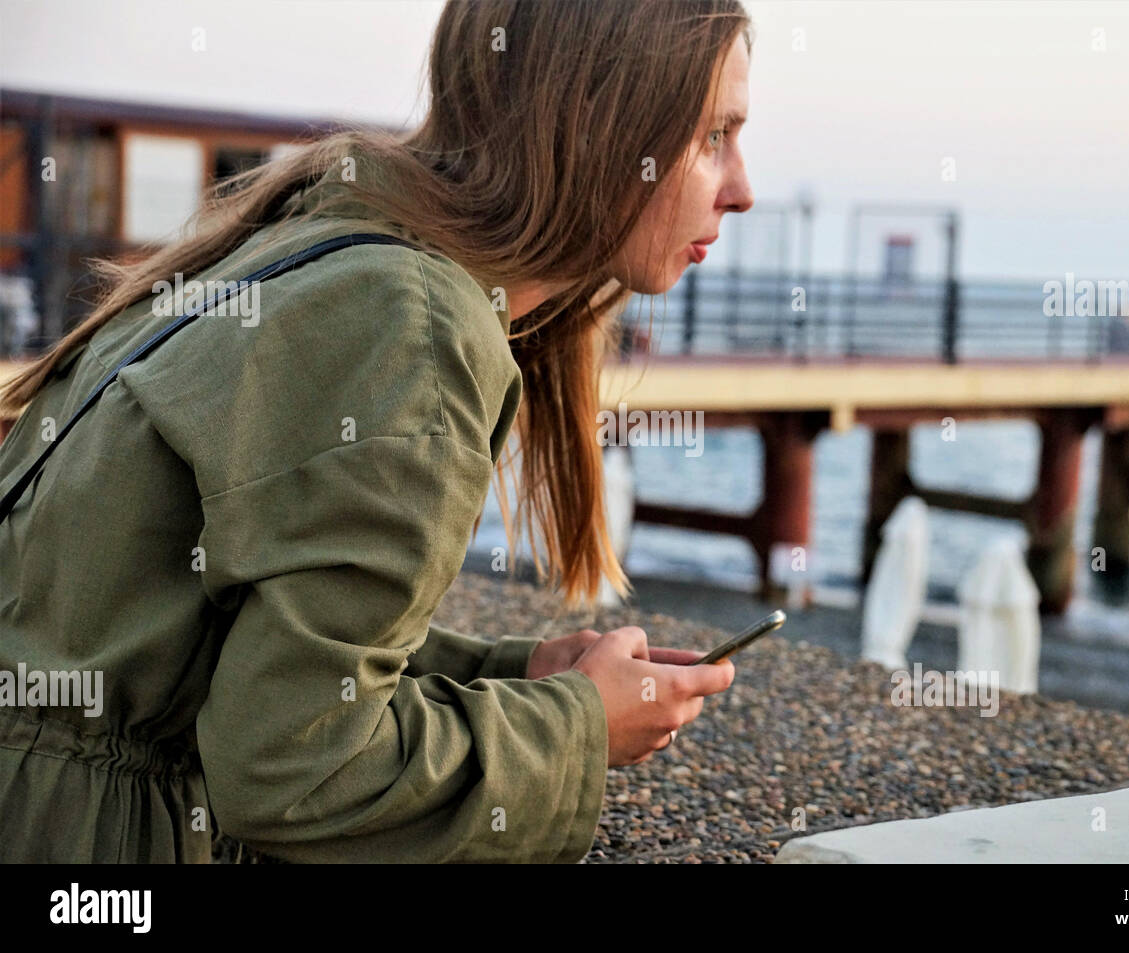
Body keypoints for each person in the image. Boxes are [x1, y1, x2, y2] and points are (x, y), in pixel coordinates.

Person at [0, 0, 755, 863]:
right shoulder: (413, 326)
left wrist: (515, 677)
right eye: (711, 138)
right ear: (598, 130)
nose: (742, 189)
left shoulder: (331, 238)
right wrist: (577, 727)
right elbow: (296, 767)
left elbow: (242, 622)